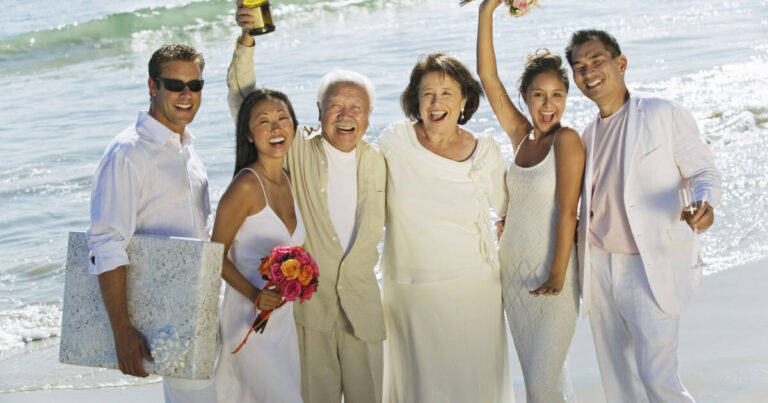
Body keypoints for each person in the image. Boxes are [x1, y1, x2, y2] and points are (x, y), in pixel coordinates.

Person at [227, 3, 387, 402]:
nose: (345, 114)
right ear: (317, 112)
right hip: (309, 316)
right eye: (335, 105)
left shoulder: (382, 160)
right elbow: (247, 100)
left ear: (369, 115)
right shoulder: (296, 146)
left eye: (356, 107)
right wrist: (248, 40)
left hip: (363, 313)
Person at [565, 29, 723, 402]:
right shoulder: (586, 135)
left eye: (596, 60)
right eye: (578, 67)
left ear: (620, 63)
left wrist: (705, 203)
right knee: (618, 382)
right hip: (599, 266)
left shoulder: (661, 113)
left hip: (648, 264)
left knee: (658, 378)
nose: (588, 72)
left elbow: (704, 172)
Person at [376, 52, 512, 402]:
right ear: (415, 100)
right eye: (428, 94)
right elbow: (354, 181)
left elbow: (511, 211)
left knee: (472, 386)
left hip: (474, 289)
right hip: (410, 293)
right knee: (419, 389)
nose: (436, 103)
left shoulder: (485, 152)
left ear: (464, 99)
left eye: (447, 93)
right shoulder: (395, 143)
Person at [86, 44, 216, 402]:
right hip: (165, 323)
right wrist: (122, 331)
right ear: (152, 86)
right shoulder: (127, 152)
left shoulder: (187, 147)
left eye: (195, 85)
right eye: (174, 85)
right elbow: (106, 242)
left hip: (199, 312)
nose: (186, 95)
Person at [476, 1, 584, 401]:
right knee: (548, 385)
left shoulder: (567, 140)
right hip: (514, 277)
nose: (548, 105)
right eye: (538, 95)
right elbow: (488, 77)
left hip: (552, 278)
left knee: (541, 385)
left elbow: (568, 213)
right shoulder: (521, 136)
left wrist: (557, 275)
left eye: (557, 94)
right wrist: (486, 10)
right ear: (524, 96)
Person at [211, 88, 304, 402]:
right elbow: (214, 256)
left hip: (282, 324)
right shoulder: (246, 186)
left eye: (282, 118)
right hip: (248, 321)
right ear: (249, 135)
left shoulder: (291, 180)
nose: (276, 128)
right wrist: (254, 294)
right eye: (263, 122)